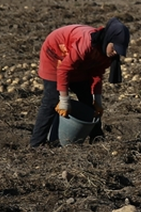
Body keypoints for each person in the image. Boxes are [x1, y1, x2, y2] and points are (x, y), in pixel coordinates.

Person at [30, 19, 129, 147]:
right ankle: (36, 143)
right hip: (56, 53)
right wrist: (64, 100)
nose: (115, 52)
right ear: (108, 39)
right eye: (114, 48)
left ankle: (97, 138)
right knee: (52, 99)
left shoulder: (108, 54)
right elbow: (64, 69)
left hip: (80, 63)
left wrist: (97, 99)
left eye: (119, 50)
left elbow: (97, 73)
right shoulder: (87, 43)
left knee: (88, 101)